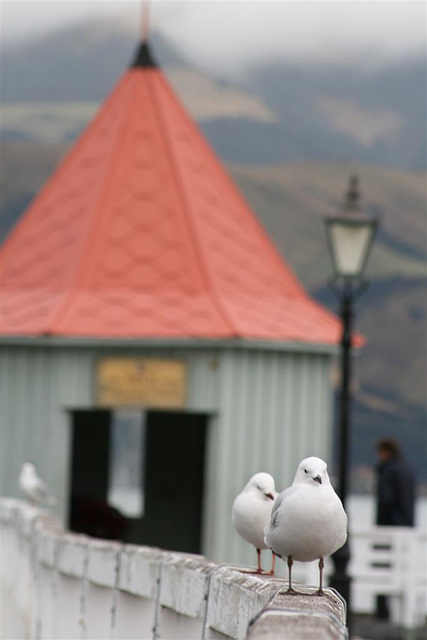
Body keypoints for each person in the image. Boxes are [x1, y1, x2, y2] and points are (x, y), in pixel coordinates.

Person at [375, 437, 416, 620]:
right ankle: (402, 616)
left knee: (381, 568)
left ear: (386, 451)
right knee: (402, 570)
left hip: (388, 525)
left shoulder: (389, 470)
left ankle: (382, 612)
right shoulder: (407, 469)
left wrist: (384, 520)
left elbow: (387, 499)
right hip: (406, 526)